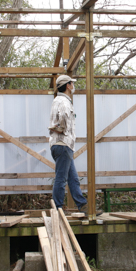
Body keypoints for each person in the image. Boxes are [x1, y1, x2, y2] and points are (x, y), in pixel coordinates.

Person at [48, 75, 89, 214]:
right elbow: (64, 116)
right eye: (72, 83)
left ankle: (82, 205)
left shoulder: (57, 100)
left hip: (61, 145)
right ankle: (58, 209)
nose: (73, 86)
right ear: (68, 85)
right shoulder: (64, 102)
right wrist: (63, 127)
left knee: (73, 178)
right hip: (63, 143)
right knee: (61, 178)